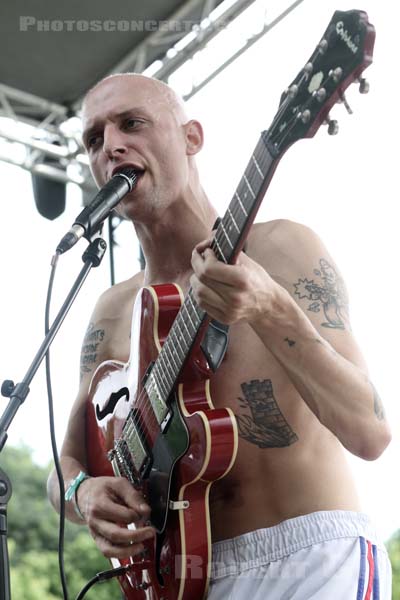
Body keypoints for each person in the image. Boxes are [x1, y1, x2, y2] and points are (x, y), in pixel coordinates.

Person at [47, 73, 392, 599]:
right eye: (94, 140)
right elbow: (66, 464)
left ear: (192, 139)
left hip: (310, 560)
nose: (112, 146)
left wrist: (272, 308)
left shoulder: (280, 249)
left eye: (132, 124)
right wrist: (83, 491)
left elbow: (371, 432)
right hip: (180, 582)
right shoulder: (112, 311)